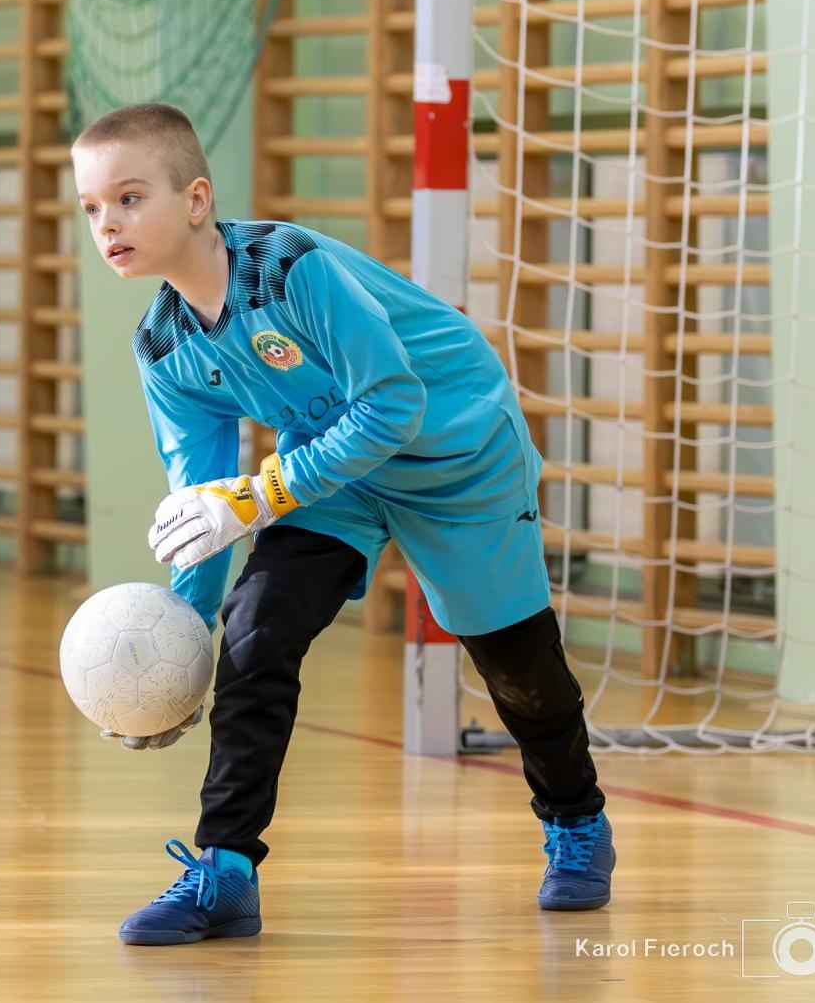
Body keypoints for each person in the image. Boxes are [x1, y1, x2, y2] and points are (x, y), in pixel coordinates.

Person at [70, 102, 613, 946]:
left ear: (197, 200)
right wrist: (181, 646)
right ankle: (226, 870)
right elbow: (201, 503)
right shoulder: (164, 347)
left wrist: (260, 496)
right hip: (332, 469)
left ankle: (576, 819)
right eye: (92, 207)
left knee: (517, 667)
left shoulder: (292, 270)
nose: (108, 223)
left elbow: (394, 405)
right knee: (256, 627)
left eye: (130, 198)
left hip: (455, 450)